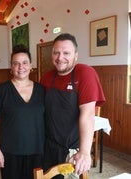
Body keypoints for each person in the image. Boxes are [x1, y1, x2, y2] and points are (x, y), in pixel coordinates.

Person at [40, 33, 105, 178]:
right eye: (56, 52)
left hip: (72, 150)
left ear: (76, 55)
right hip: (49, 146)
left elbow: (88, 114)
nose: (60, 57)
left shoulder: (85, 73)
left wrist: (84, 152)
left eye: (66, 53)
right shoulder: (46, 78)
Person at [0, 44, 45, 179]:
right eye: (16, 63)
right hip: (10, 151)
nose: (21, 67)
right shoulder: (2, 90)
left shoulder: (42, 90)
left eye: (25, 63)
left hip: (37, 150)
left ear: (31, 66)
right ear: (11, 67)